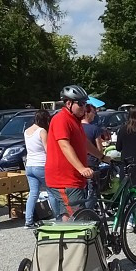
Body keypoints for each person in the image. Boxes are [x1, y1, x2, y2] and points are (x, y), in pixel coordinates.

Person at [45, 85, 95, 219]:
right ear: (69, 103)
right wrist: (82, 168)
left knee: (68, 215)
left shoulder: (75, 120)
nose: (84, 108)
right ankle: (76, 241)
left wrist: (102, 156)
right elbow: (64, 145)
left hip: (73, 179)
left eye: (85, 104)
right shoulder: (61, 119)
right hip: (64, 179)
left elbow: (85, 143)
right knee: (80, 218)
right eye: (81, 104)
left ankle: (65, 241)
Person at [23, 109, 50, 228]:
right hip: (41, 164)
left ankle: (28, 221)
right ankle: (59, 217)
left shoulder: (26, 131)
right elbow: (47, 149)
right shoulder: (42, 131)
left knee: (33, 193)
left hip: (29, 165)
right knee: (51, 191)